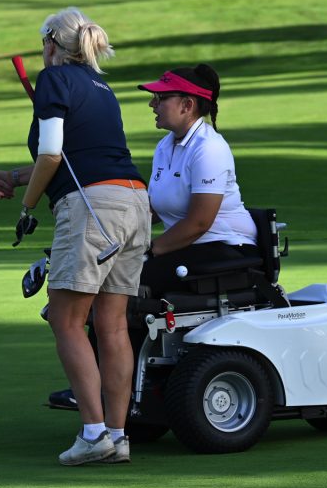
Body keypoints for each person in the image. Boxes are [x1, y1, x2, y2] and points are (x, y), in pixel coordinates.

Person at [0, 7, 151, 466]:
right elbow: (75, 157)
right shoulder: (101, 87)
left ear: (51, 44)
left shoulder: (53, 78)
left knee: (65, 318)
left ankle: (94, 433)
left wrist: (26, 205)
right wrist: (15, 177)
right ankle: (117, 436)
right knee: (111, 324)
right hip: (134, 202)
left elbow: (52, 155)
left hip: (92, 208)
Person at [47, 63, 258, 411]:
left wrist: (148, 249)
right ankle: (103, 387)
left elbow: (199, 221)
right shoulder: (166, 146)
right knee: (108, 281)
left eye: (161, 98)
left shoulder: (210, 148)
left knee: (118, 288)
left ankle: (103, 390)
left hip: (223, 248)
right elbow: (154, 208)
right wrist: (115, 238)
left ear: (187, 105)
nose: (152, 104)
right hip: (187, 248)